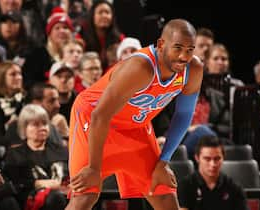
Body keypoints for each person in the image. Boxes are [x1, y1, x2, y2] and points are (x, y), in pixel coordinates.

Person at [66, 19, 203, 210]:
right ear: (161, 44)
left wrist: (163, 161)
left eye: (190, 50)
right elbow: (100, 115)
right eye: (178, 48)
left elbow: (184, 115)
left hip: (135, 126)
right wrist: (93, 168)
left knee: (164, 194)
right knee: (86, 195)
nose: (183, 56)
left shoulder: (193, 69)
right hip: (94, 118)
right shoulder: (141, 67)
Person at [177, 136, 248, 210]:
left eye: (217, 159)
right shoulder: (185, 186)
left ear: (223, 158)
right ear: (197, 158)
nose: (213, 164)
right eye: (207, 159)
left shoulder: (234, 188)